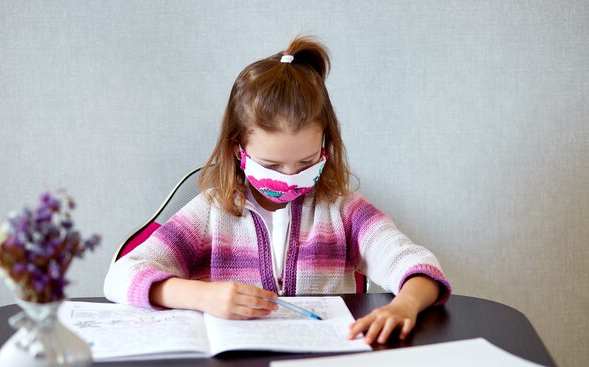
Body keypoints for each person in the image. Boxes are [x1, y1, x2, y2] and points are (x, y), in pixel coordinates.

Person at [104, 36, 451, 345]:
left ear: (326, 148)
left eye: (305, 163)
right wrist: (202, 296)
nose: (289, 177)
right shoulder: (211, 212)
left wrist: (405, 304)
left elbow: (417, 263)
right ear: (237, 150)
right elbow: (121, 276)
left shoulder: (343, 210)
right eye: (270, 166)